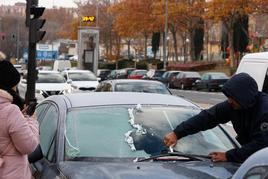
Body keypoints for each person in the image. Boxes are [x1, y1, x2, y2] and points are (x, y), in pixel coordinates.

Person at [164, 72, 268, 163]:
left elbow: (261, 144)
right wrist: (177, 133)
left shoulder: (264, 111)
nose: (229, 101)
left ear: (243, 96)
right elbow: (207, 117)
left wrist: (228, 156)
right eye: (229, 97)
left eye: (232, 97)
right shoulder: (233, 106)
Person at [0, 53, 39, 179]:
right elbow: (28, 146)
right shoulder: (10, 111)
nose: (16, 89)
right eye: (14, 85)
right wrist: (31, 120)